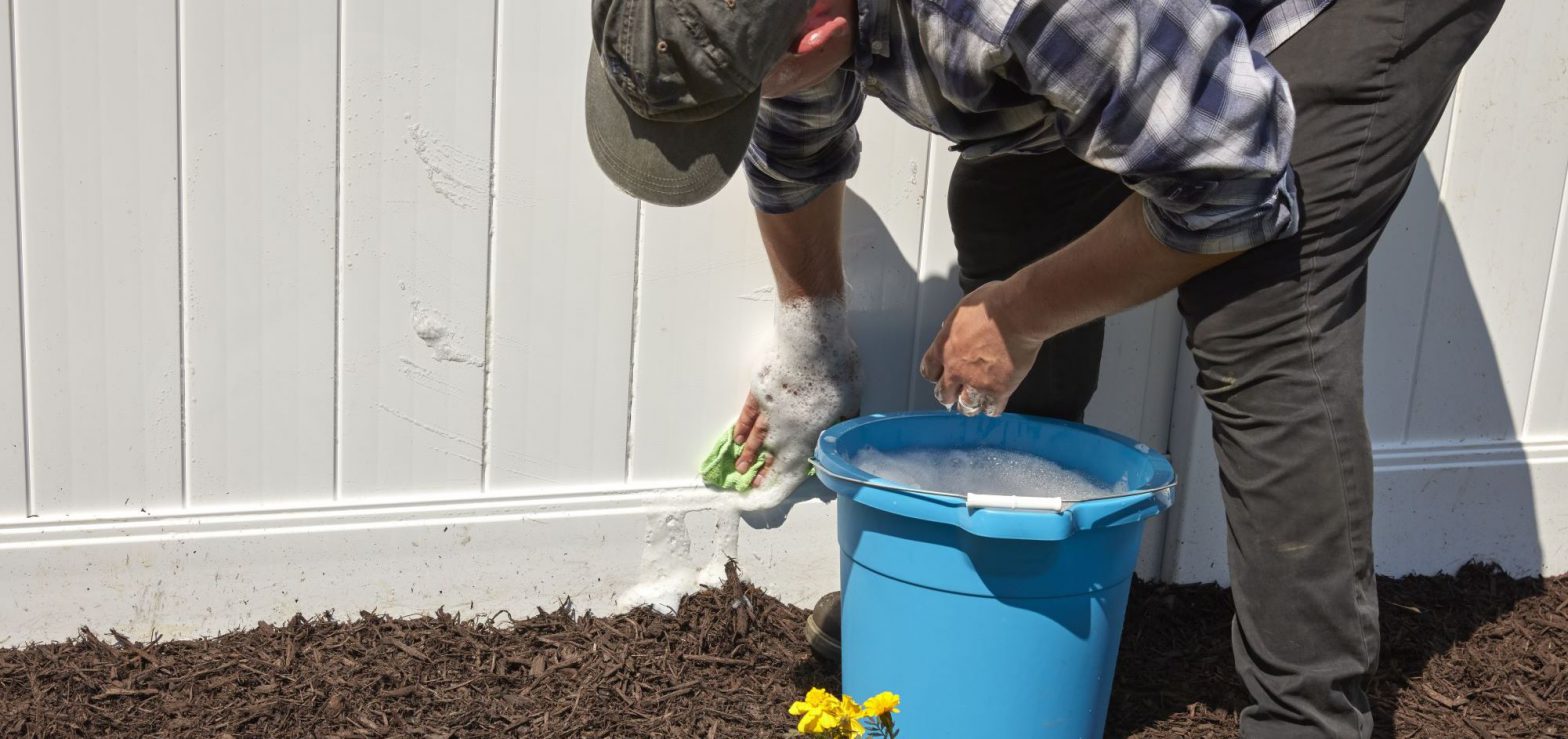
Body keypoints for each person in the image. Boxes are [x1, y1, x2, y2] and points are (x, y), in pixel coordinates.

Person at [584, 0, 1501, 735]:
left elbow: (1232, 185)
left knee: (1260, 299)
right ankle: (1019, 584)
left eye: (744, 92)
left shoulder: (1021, 8)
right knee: (1011, 202)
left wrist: (1021, 313)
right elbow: (794, 142)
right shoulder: (802, 23)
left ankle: (1308, 713)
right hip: (1145, 34)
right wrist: (811, 341)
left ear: (815, 28)